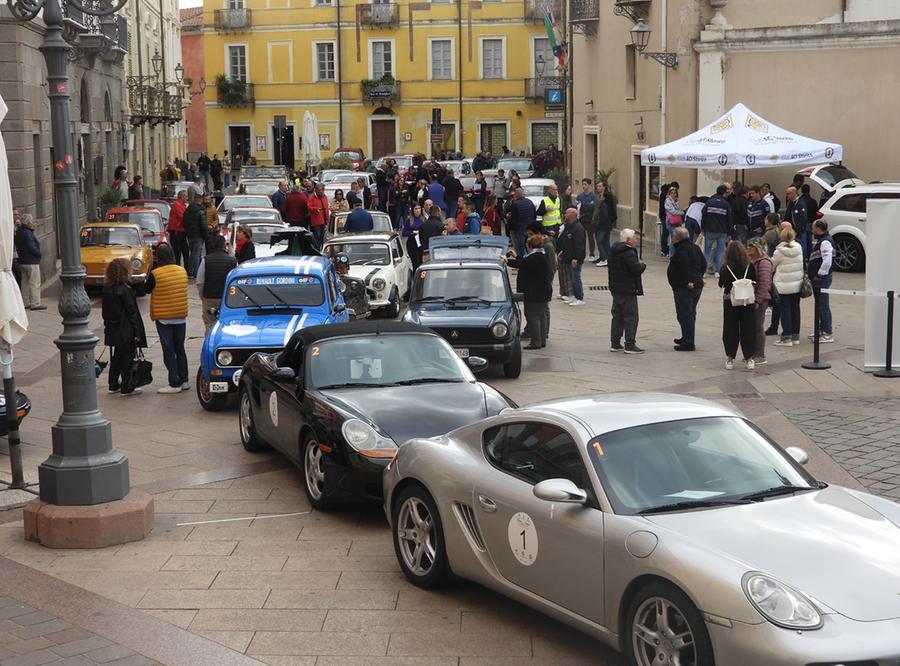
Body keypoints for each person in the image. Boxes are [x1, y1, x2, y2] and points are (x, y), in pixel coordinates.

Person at [143, 244, 189, 394]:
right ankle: (185, 379)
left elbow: (146, 289)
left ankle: (174, 382)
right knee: (180, 349)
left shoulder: (156, 274)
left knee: (168, 350)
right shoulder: (182, 271)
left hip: (164, 318)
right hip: (180, 316)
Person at [101, 258, 147, 396]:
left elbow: (105, 312)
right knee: (127, 356)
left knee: (117, 356)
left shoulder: (107, 289)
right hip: (126, 328)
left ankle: (113, 383)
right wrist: (137, 331)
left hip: (113, 328)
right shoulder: (125, 290)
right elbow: (132, 312)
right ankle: (127, 386)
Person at [506, 234, 552, 349]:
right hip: (542, 292)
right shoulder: (539, 255)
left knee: (532, 316)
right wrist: (516, 257)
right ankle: (541, 340)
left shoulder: (535, 257)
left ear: (531, 245)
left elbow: (524, 264)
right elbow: (526, 262)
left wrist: (507, 261)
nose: (526, 245)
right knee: (541, 316)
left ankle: (536, 342)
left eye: (528, 243)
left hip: (535, 293)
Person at [719, 241, 757, 370]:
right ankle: (749, 358)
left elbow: (721, 283)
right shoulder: (749, 266)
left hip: (731, 301)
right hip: (747, 300)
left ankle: (730, 358)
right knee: (748, 328)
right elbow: (755, 281)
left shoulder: (725, 267)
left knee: (730, 328)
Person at [667, 226, 706, 351]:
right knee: (690, 313)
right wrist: (699, 277)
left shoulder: (682, 250)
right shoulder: (695, 247)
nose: (672, 239)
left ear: (677, 238)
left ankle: (688, 341)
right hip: (696, 285)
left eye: (673, 237)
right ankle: (687, 336)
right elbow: (703, 263)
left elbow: (685, 267)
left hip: (685, 287)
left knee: (685, 314)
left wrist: (688, 281)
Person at [608, 228, 646, 354]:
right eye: (634, 238)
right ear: (628, 240)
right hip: (627, 288)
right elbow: (636, 269)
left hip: (616, 287)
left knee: (617, 316)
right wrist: (642, 265)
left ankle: (615, 342)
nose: (636, 240)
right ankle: (630, 344)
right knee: (631, 316)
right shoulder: (628, 252)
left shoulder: (614, 250)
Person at [772, 226, 804, 347]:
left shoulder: (779, 251)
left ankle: (786, 336)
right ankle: (795, 335)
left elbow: (772, 266)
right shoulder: (799, 247)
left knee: (785, 309)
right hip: (797, 282)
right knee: (795, 308)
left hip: (783, 284)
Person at [197, 234, 236, 331]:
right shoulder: (233, 261)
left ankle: (210, 343)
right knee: (228, 325)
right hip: (228, 299)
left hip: (210, 298)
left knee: (210, 324)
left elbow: (200, 282)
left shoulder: (205, 260)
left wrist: (204, 297)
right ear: (224, 246)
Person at [747, 238, 773, 365]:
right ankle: (753, 352)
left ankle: (760, 354)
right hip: (752, 297)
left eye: (751, 247)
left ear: (757, 248)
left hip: (760, 299)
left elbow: (764, 283)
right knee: (753, 326)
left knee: (758, 327)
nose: (748, 249)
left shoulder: (764, 262)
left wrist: (758, 300)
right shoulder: (753, 261)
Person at [808, 220, 835, 343]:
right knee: (819, 305)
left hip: (822, 279)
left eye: (813, 228)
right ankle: (821, 329)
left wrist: (819, 274)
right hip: (819, 278)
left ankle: (827, 332)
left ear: (819, 229)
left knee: (823, 305)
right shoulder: (823, 240)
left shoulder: (825, 242)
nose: (812, 231)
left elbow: (827, 261)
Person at [15, 213, 45, 310]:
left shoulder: (19, 232)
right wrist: (39, 253)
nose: (32, 223)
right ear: (27, 223)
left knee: (25, 282)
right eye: (31, 222)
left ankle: (25, 302)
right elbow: (31, 247)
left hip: (22, 261)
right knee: (34, 282)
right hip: (31, 261)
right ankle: (35, 303)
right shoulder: (28, 233)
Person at [557, 208, 587, 306]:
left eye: (567, 213)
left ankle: (579, 297)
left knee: (576, 278)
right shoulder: (569, 227)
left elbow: (579, 245)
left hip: (575, 259)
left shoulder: (578, 228)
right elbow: (567, 242)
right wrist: (563, 252)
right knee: (571, 278)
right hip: (568, 257)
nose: (565, 215)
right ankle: (573, 296)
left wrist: (576, 258)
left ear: (573, 214)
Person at [702, 185, 733, 275]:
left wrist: (703, 228)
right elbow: (729, 220)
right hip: (722, 231)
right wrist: (729, 232)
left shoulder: (709, 202)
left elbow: (704, 216)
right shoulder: (726, 204)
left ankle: (703, 271)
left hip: (709, 230)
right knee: (720, 251)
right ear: (724, 192)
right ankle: (718, 271)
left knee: (707, 251)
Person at [183, 194, 208, 279]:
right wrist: (205, 236)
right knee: (197, 254)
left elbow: (184, 222)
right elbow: (204, 226)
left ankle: (190, 272)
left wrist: (187, 232)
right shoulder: (201, 211)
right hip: (198, 236)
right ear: (200, 200)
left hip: (190, 235)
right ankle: (197, 273)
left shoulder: (187, 210)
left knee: (192, 253)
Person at [592, 181, 616, 267]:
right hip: (600, 222)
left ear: (604, 187)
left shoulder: (607, 197)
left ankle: (604, 258)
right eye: (597, 186)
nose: (598, 188)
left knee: (600, 241)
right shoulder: (598, 196)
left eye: (599, 186)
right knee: (605, 241)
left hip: (603, 223)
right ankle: (606, 257)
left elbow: (606, 212)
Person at [784, 186, 811, 260]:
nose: (787, 196)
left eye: (788, 194)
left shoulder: (801, 203)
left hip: (799, 232)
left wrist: (796, 230)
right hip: (791, 231)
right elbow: (787, 216)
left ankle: (803, 264)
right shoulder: (790, 203)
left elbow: (803, 218)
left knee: (801, 249)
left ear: (794, 193)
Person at [508, 188, 536, 258]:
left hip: (519, 230)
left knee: (520, 248)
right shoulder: (530, 202)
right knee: (530, 247)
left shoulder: (515, 204)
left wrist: (510, 225)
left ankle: (522, 263)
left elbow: (513, 219)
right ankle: (529, 260)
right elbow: (534, 216)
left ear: (516, 195)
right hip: (529, 229)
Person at [576, 178, 597, 259]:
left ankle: (592, 254)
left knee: (591, 237)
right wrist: (588, 205)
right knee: (581, 237)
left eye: (585, 184)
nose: (584, 186)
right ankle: (582, 253)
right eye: (583, 184)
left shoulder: (593, 196)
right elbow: (578, 207)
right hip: (581, 218)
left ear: (589, 185)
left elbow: (593, 207)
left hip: (590, 219)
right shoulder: (580, 196)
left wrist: (587, 206)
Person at [167, 190, 189, 268]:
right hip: (176, 231)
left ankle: (185, 267)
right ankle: (178, 267)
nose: (187, 198)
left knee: (184, 250)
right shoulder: (177, 205)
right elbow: (183, 217)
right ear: (182, 197)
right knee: (178, 251)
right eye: (186, 196)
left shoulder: (181, 204)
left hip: (180, 230)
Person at [402, 203, 426, 270]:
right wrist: (412, 232)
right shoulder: (409, 220)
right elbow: (404, 233)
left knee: (422, 262)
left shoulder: (424, 219)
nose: (418, 210)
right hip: (412, 243)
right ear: (413, 210)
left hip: (421, 243)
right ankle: (415, 278)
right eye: (416, 209)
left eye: (419, 208)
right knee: (416, 263)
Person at [658, 180, 679, 256]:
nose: (674, 193)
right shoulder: (667, 197)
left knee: (666, 234)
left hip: (664, 216)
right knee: (667, 234)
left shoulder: (664, 193)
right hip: (666, 217)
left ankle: (665, 250)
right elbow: (671, 209)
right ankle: (665, 250)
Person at [307, 183, 330, 248]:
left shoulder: (325, 197)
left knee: (324, 238)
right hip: (316, 222)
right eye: (319, 190)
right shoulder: (312, 198)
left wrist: (328, 220)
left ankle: (323, 250)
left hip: (324, 221)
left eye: (322, 190)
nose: (321, 191)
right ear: (316, 190)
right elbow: (309, 207)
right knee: (317, 237)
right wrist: (316, 209)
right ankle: (317, 250)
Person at [663, 186, 684, 256]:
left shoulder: (675, 201)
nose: (673, 194)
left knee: (676, 239)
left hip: (676, 222)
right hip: (670, 222)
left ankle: (674, 254)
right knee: (673, 239)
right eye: (671, 193)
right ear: (669, 194)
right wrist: (683, 212)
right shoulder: (668, 201)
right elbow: (673, 212)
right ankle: (672, 255)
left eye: (674, 193)